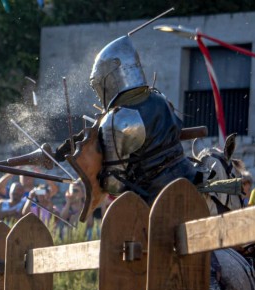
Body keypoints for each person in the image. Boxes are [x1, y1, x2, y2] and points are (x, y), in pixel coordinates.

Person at [85, 35, 202, 205]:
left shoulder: (115, 120)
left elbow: (114, 185)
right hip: (188, 176)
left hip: (154, 195)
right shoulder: (160, 99)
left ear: (108, 78)